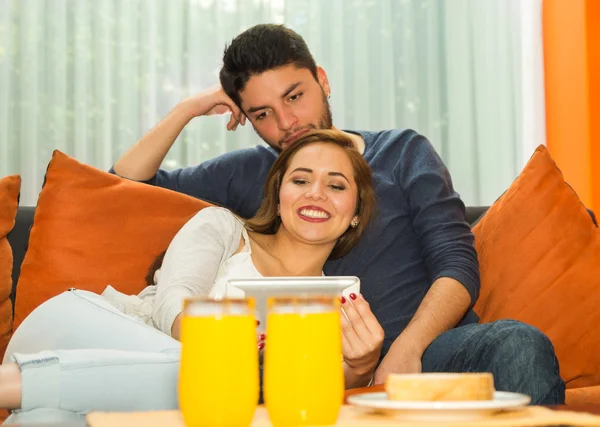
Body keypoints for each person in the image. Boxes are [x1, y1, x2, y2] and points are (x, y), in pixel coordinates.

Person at [111, 24, 565, 404]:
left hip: (428, 350)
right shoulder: (254, 171)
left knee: (520, 344)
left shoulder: (404, 151)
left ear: (322, 80)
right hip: (315, 369)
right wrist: (189, 108)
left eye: (294, 96)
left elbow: (456, 261)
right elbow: (127, 185)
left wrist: (404, 350)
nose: (286, 123)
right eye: (263, 113)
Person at [0, 130, 383, 423]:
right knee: (205, 371)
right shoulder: (224, 228)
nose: (316, 194)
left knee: (46, 420)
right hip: (77, 333)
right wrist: (227, 344)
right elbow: (172, 303)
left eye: (335, 186)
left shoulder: (336, 305)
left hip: (122, 396)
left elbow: (304, 402)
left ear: (355, 213)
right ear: (279, 197)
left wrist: (360, 367)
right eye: (300, 180)